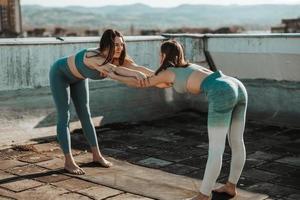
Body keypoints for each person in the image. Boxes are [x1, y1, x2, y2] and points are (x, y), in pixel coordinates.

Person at [107, 40, 248, 200]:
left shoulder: (169, 71)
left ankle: (203, 195)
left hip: (222, 91)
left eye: (160, 55)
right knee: (237, 141)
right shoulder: (188, 66)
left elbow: (142, 83)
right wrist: (126, 69)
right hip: (236, 84)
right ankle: (230, 187)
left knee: (216, 148)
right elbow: (154, 79)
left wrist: (114, 76)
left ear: (164, 55)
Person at [49, 29, 153, 175]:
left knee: (85, 114)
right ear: (106, 44)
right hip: (60, 74)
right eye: (116, 45)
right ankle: (68, 162)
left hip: (78, 78)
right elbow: (116, 72)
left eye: (121, 45)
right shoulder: (92, 56)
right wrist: (136, 75)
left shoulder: (115, 58)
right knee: (64, 116)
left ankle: (97, 155)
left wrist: (158, 76)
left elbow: (135, 68)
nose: (119, 48)